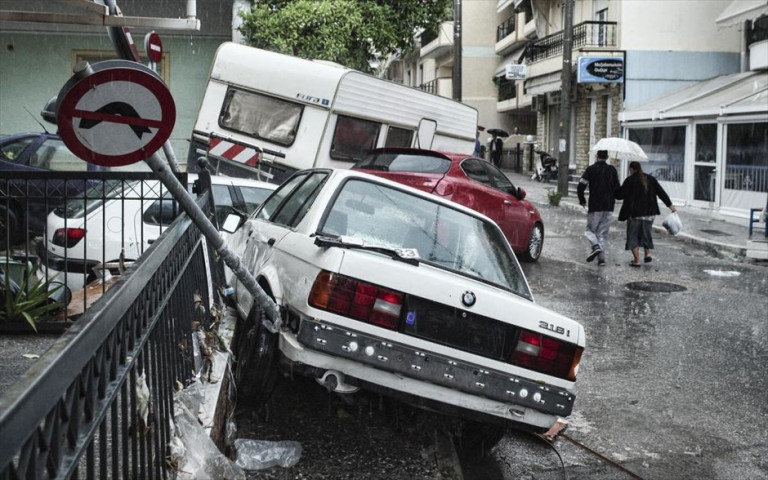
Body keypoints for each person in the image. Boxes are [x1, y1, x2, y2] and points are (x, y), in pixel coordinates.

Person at [617, 161, 677, 267]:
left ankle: (637, 260)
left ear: (631, 169)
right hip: (649, 213)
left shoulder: (629, 180)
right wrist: (670, 206)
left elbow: (620, 195)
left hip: (634, 214)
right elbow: (661, 193)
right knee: (646, 234)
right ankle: (647, 253)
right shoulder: (651, 179)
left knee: (633, 236)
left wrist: (616, 187)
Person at [577, 150, 620, 266]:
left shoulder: (591, 169)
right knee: (603, 234)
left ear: (597, 156)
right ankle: (601, 259)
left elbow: (581, 186)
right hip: (609, 206)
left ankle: (595, 246)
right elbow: (618, 190)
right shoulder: (612, 170)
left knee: (590, 231)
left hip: (595, 205)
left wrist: (582, 200)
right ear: (607, 157)